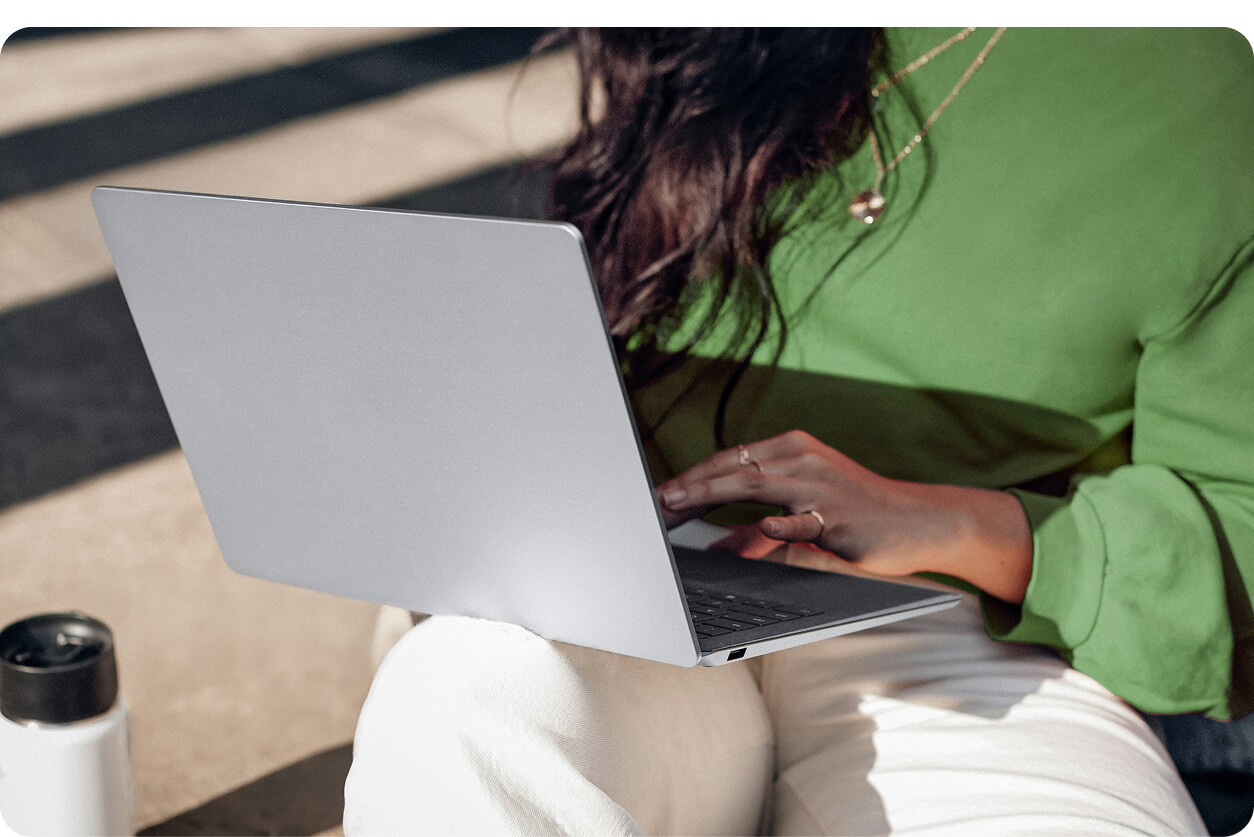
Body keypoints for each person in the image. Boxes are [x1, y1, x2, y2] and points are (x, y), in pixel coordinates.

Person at [344, 28, 1254, 834]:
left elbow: (1239, 519)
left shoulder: (1191, 83)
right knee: (461, 708)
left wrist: (967, 524)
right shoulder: (712, 38)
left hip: (967, 627)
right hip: (648, 580)